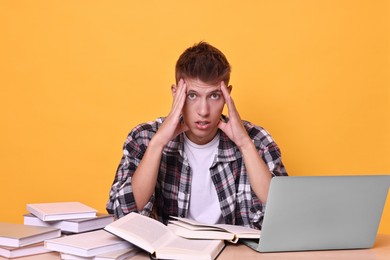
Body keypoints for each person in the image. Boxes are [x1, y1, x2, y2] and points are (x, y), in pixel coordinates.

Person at [106, 42, 287, 229]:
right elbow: (122, 217)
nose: (203, 110)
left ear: (227, 95)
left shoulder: (257, 140)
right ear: (176, 94)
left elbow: (283, 218)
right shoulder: (143, 138)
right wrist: (158, 144)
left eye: (214, 96)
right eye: (192, 95)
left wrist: (245, 145)